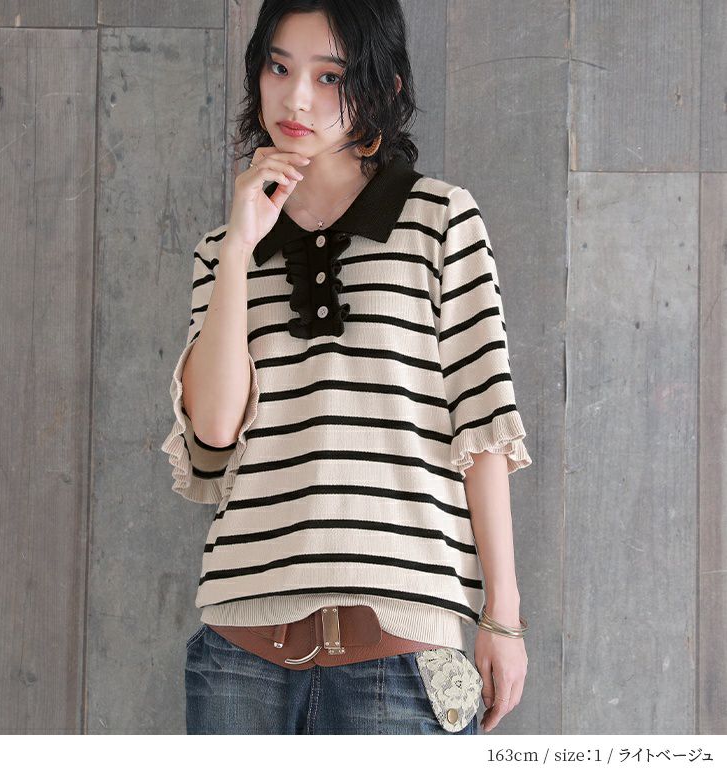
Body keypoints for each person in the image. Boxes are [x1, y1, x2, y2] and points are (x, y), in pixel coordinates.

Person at [161, 0, 532, 735]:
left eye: (330, 76)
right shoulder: (222, 249)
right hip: (239, 653)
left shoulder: (440, 220)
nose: (296, 98)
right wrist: (239, 250)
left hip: (402, 649)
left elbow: (483, 427)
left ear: (383, 86)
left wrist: (504, 617)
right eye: (278, 68)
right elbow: (214, 429)